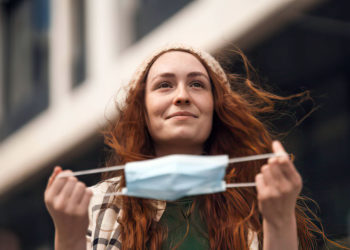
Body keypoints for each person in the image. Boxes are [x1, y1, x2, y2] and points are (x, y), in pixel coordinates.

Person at [44, 44, 326, 250]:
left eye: (197, 84)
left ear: (216, 107)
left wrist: (279, 221)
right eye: (165, 85)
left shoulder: (256, 201)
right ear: (141, 110)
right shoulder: (96, 205)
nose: (182, 96)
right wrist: (68, 236)